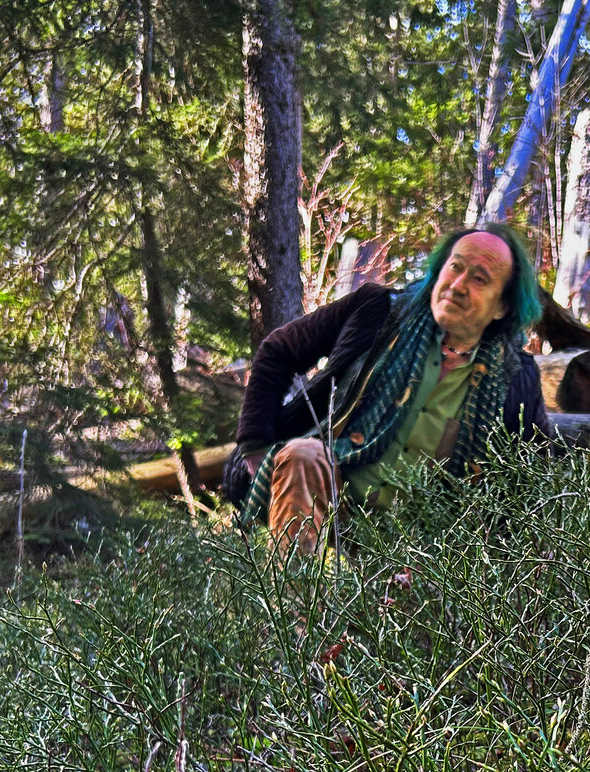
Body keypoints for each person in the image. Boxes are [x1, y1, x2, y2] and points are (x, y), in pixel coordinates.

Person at [226, 225, 552, 555]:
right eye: (454, 267)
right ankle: (291, 600)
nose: (457, 286)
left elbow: (529, 476)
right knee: (303, 455)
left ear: (502, 307)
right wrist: (255, 443)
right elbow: (279, 349)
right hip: (339, 494)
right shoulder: (378, 311)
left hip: (424, 538)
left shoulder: (516, 379)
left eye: (479, 279)